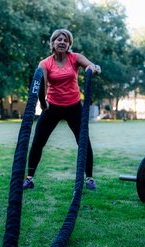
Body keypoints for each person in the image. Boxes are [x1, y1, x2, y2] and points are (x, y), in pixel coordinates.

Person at [23, 29, 101, 190]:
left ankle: (90, 179)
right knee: (38, 142)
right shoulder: (45, 63)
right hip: (53, 107)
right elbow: (41, 85)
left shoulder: (75, 58)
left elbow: (91, 66)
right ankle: (29, 178)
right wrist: (43, 105)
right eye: (58, 39)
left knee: (84, 142)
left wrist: (94, 68)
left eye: (65, 40)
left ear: (69, 44)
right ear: (52, 43)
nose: (61, 42)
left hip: (74, 107)